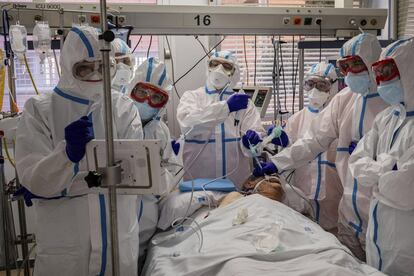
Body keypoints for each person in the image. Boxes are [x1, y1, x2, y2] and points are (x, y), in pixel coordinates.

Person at [15, 26, 143, 275]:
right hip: (67, 247)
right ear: (67, 64)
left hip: (118, 240)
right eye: (84, 67)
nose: (95, 74)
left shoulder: (123, 108)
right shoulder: (40, 110)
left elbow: (134, 175)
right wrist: (66, 155)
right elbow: (35, 180)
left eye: (103, 65)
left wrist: (65, 184)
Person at [253, 33, 388, 260]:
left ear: (374, 62)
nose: (351, 71)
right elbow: (313, 140)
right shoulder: (344, 100)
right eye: (345, 65)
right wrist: (276, 162)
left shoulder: (393, 105)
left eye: (357, 63)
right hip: (348, 212)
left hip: (381, 214)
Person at [349, 38, 414, 275]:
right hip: (378, 234)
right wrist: (388, 168)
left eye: (388, 71)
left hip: (407, 242)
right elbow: (356, 162)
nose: (381, 80)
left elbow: (406, 190)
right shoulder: (386, 118)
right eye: (378, 71)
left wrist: (375, 171)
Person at [177, 50, 265, 189]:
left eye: (226, 66)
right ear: (208, 67)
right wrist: (226, 108)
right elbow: (188, 125)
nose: (219, 69)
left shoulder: (245, 104)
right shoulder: (192, 97)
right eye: (215, 64)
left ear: (234, 72)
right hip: (199, 186)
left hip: (236, 185)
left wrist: (253, 143)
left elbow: (255, 147)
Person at [124, 57, 182, 257]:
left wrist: (161, 173)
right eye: (142, 92)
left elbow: (173, 172)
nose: (148, 101)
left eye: (156, 97)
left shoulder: (162, 132)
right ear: (132, 89)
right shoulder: (115, 123)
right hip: (121, 213)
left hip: (149, 214)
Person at [280, 62, 342, 232]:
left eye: (322, 86)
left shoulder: (341, 119)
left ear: (334, 87)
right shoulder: (297, 119)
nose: (315, 91)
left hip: (334, 195)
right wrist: (280, 141)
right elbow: (288, 154)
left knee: (334, 240)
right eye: (311, 84)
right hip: (302, 193)